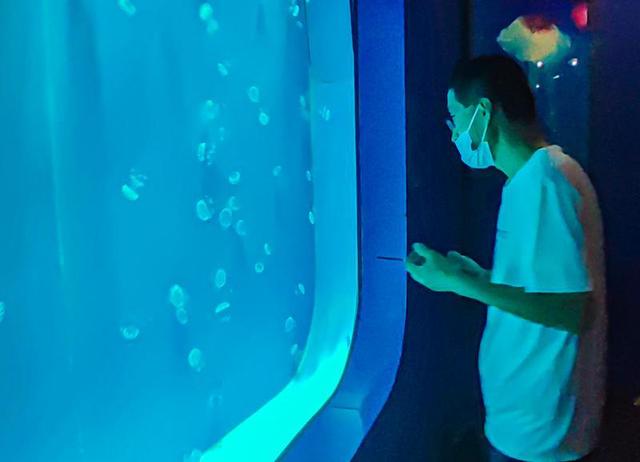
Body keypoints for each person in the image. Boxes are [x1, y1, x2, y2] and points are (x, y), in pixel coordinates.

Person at [404, 55, 607, 462]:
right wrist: (482, 276)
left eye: (455, 118)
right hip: (526, 423)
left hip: (540, 436)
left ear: (483, 112)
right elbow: (546, 289)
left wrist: (458, 282)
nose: (454, 133)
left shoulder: (545, 183)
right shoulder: (530, 180)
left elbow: (573, 311)